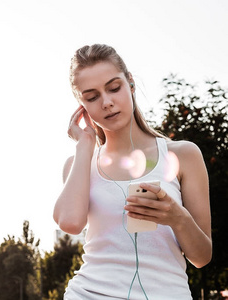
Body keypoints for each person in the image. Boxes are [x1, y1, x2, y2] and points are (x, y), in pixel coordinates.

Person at [53, 44, 212, 299]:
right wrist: (85, 147)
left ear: (130, 84)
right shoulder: (78, 164)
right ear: (81, 107)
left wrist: (176, 217)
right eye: (92, 97)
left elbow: (202, 257)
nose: (107, 103)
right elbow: (70, 223)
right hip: (89, 293)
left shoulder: (183, 155)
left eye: (114, 88)